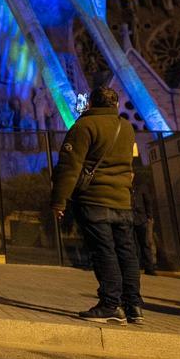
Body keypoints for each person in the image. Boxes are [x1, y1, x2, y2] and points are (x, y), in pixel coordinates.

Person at [50, 87, 141, 324]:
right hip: (122, 201)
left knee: (104, 252)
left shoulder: (84, 127)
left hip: (94, 200)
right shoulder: (126, 127)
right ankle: (133, 306)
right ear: (115, 104)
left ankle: (110, 304)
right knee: (127, 253)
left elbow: (70, 168)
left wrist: (59, 200)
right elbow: (131, 165)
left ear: (91, 103)